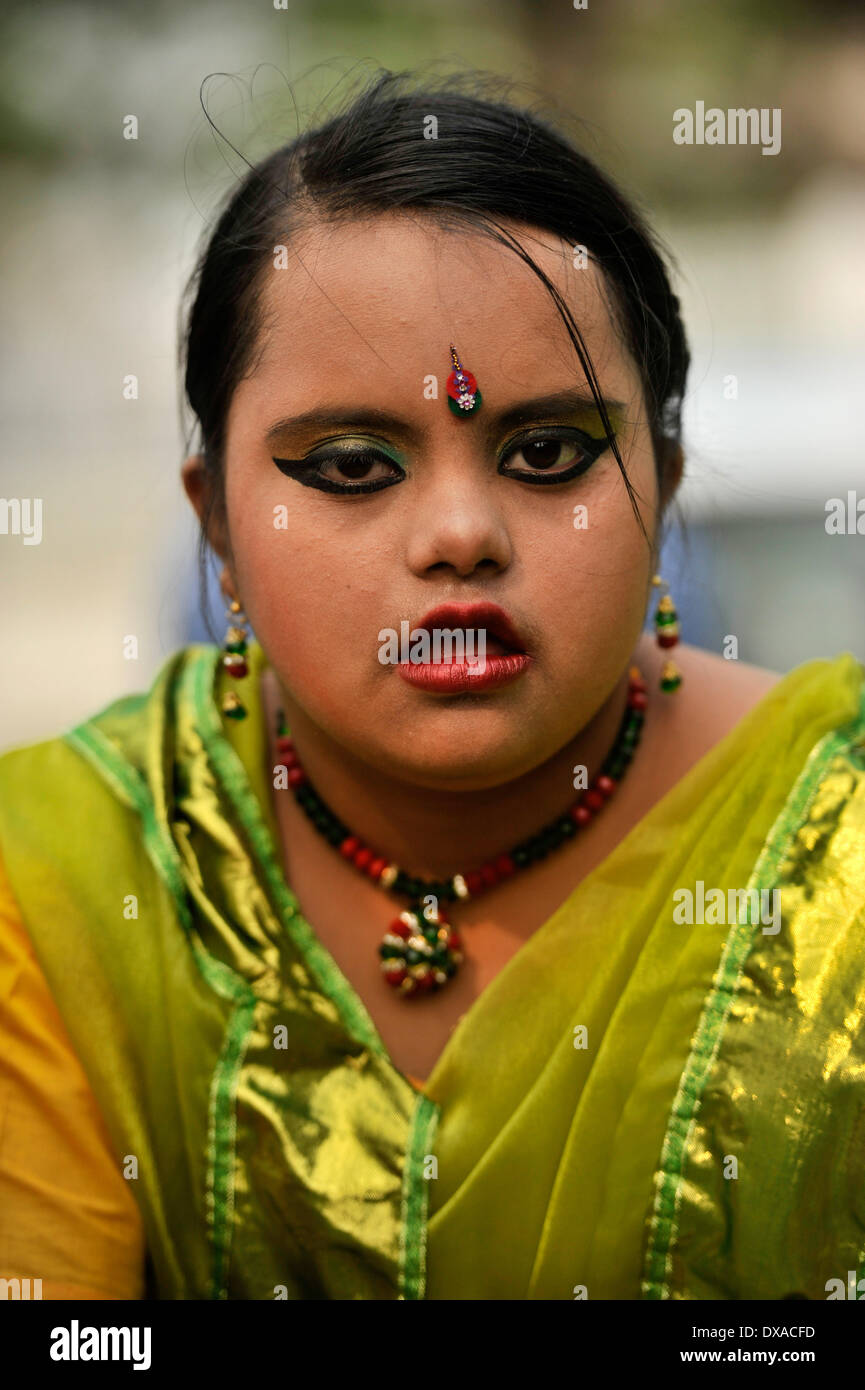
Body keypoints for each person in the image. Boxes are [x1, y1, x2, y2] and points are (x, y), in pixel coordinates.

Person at [1, 71, 863, 1302]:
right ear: (220, 532)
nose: (460, 532)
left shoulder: (839, 853)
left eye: (548, 453)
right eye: (352, 464)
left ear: (663, 487)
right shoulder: (59, 879)